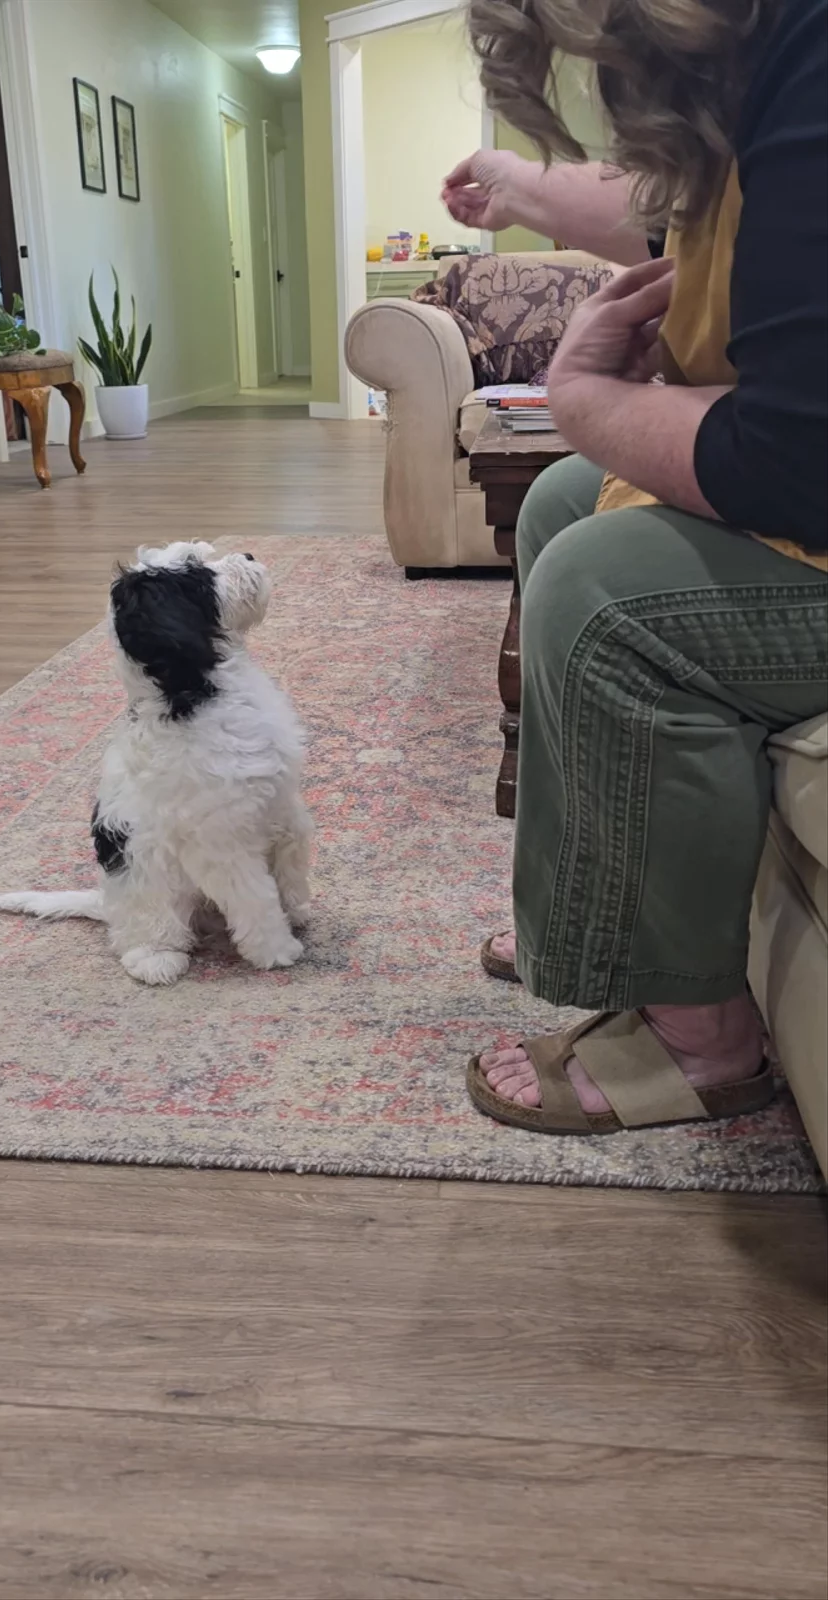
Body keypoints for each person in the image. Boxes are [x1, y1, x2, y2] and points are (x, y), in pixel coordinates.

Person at [441, 0, 828, 1134]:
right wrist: (520, 189)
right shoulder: (761, 66)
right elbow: (680, 228)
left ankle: (704, 1043)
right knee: (564, 501)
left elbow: (795, 465)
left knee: (606, 595)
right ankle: (615, 918)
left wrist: (584, 399)